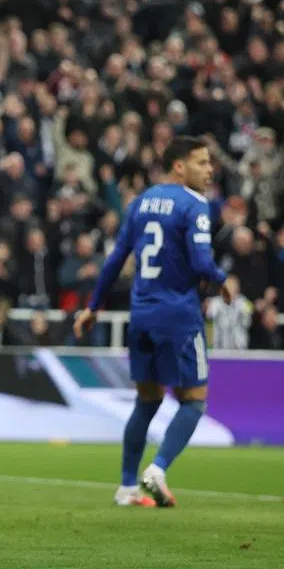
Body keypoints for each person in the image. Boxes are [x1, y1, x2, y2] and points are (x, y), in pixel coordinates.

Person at [75, 136, 237, 508]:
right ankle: (158, 468)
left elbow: (116, 259)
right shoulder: (195, 204)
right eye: (201, 162)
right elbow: (200, 263)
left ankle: (127, 487)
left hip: (142, 316)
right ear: (179, 166)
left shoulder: (141, 202)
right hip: (179, 316)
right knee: (194, 400)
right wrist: (221, 278)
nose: (210, 170)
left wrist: (93, 307)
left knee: (147, 400)